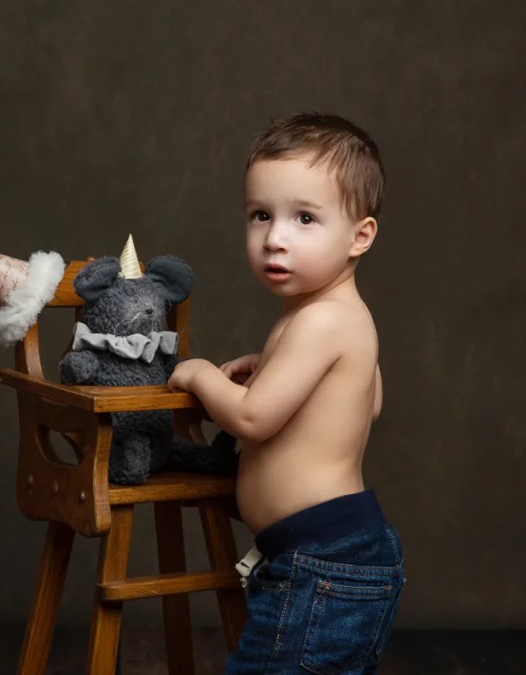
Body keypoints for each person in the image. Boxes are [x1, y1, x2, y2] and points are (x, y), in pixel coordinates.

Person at [168, 113, 405, 673]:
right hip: (321, 558)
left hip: (324, 563)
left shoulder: (322, 321)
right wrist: (278, 365)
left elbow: (252, 419)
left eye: (304, 218)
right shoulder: (333, 318)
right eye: (260, 216)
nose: (275, 237)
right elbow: (368, 399)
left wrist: (199, 373)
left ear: (360, 236)